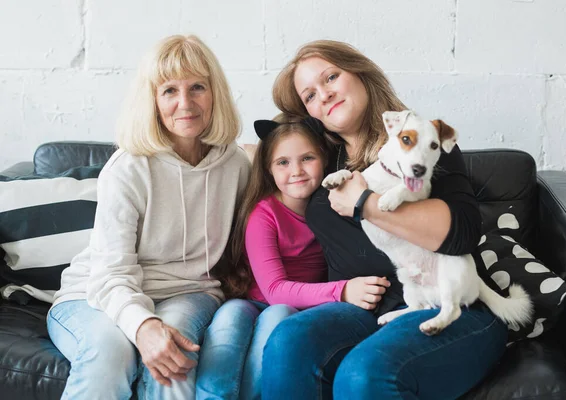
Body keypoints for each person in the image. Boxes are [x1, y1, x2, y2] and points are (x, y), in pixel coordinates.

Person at [261, 40, 509, 400]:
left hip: (447, 302)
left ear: (361, 73)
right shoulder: (319, 160)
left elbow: (463, 233)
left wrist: (365, 203)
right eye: (310, 96)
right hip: (363, 310)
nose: (324, 96)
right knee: (287, 341)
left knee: (363, 374)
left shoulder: (419, 141)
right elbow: (270, 158)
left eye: (331, 77)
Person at [46, 34, 250, 400]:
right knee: (109, 353)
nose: (185, 103)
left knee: (175, 359)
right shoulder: (127, 169)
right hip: (96, 294)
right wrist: (142, 325)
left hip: (189, 292)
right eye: (169, 90)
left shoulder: (236, 165)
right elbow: (109, 274)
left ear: (214, 92)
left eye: (197, 87)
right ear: (152, 101)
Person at [195, 115, 391, 400]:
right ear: (269, 169)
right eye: (283, 163)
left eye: (307, 158)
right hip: (255, 300)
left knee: (280, 315)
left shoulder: (336, 205)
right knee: (229, 317)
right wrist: (344, 290)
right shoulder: (264, 214)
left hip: (297, 309)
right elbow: (274, 290)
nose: (296, 171)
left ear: (324, 159)